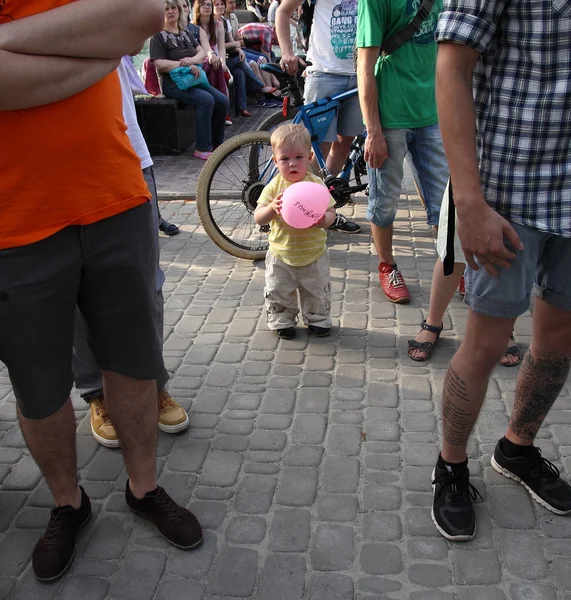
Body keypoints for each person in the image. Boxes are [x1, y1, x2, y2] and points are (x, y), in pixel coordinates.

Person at [0, 0, 203, 583]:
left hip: (117, 195)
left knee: (134, 366)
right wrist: (94, 45)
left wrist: (14, 45)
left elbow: (140, 17)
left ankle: (145, 489)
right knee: (40, 387)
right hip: (15, 221)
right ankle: (69, 503)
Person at [430, 0, 571, 541]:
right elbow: (452, 65)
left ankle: (518, 447)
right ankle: (451, 465)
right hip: (510, 192)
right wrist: (468, 201)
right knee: (487, 343)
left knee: (558, 338)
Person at [73, 56, 190, 449]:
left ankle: (150, 383)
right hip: (56, 166)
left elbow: (139, 23)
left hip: (128, 157)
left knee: (144, 288)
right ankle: (97, 394)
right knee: (74, 289)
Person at [356, 0, 449, 303]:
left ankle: (453, 269)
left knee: (448, 205)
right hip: (390, 117)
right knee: (384, 202)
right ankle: (388, 265)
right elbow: (364, 67)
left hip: (433, 113)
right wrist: (373, 132)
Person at [408, 181, 521, 367]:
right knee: (452, 253)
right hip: (472, 176)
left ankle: (502, 329)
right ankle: (433, 323)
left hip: (523, 183)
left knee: (507, 252)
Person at [277, 0, 362, 234]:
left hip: (359, 75)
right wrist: (287, 52)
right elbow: (283, 11)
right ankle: (295, 209)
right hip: (324, 74)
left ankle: (317, 208)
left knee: (344, 143)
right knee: (318, 148)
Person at [254, 124, 336, 339]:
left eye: (299, 157)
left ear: (310, 157)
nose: (292, 164)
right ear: (275, 161)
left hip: (313, 254)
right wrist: (272, 209)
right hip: (281, 255)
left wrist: (322, 220)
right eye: (285, 159)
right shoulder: (274, 186)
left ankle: (317, 319)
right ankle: (282, 320)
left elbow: (332, 213)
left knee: (316, 291)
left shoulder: (316, 184)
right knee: (279, 291)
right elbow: (258, 216)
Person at [150, 0, 229, 160]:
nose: (170, 11)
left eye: (173, 8)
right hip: (172, 83)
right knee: (206, 100)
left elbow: (201, 53)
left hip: (194, 79)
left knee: (222, 100)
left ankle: (217, 145)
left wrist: (192, 61)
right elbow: (159, 64)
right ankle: (202, 147)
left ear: (179, 11)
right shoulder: (157, 36)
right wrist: (184, 64)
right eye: (166, 9)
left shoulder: (184, 32)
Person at [193, 0, 229, 97]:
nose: (207, 7)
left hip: (215, 56)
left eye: (209, 4)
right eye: (203, 4)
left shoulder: (218, 25)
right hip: (201, 58)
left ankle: (224, 105)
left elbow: (221, 48)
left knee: (221, 68)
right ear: (198, 8)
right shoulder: (193, 27)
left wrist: (223, 62)